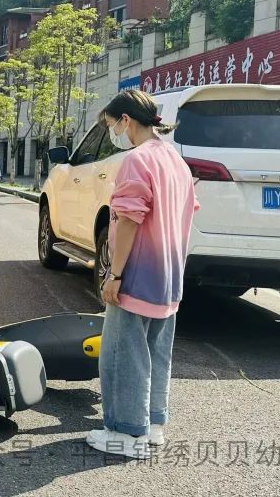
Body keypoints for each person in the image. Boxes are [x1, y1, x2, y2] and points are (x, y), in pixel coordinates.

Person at [86, 89, 199, 460]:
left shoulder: (137, 160)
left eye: (111, 126)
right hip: (168, 276)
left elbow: (130, 219)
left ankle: (125, 433)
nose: (114, 133)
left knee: (122, 355)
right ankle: (151, 426)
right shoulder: (176, 160)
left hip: (137, 272)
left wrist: (114, 274)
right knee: (155, 353)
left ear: (126, 121)